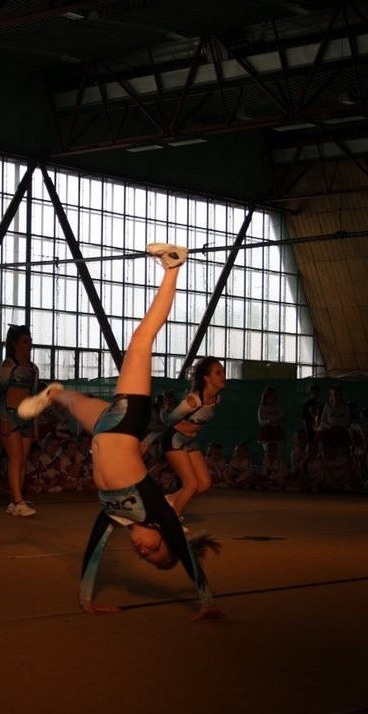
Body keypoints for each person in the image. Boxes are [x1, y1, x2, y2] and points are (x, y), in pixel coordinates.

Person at [18, 243, 223, 621]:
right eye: (155, 549)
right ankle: (174, 267)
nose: (143, 551)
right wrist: (206, 600)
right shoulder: (153, 508)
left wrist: (86, 599)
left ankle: (56, 393)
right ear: (164, 530)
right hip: (128, 421)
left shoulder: (115, 516)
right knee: (140, 341)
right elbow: (182, 545)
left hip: (102, 427)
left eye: (144, 557)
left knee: (70, 398)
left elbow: (94, 551)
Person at [150, 356, 226, 517]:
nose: (223, 376)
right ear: (206, 377)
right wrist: (147, 441)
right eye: (218, 373)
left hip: (190, 441)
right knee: (190, 485)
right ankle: (173, 523)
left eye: (223, 372)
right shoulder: (194, 400)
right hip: (174, 439)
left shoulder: (216, 399)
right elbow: (169, 421)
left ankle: (169, 500)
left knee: (204, 484)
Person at [0, 324, 39, 517]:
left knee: (22, 461)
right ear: (15, 344)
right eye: (25, 342)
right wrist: (3, 418)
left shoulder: (33, 369)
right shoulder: (8, 365)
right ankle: (18, 500)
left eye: (30, 341)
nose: (29, 345)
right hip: (10, 415)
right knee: (16, 458)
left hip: (27, 417)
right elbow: (0, 395)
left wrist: (35, 423)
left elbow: (35, 396)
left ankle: (16, 500)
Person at [257, 386, 285, 457]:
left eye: (275, 397)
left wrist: (278, 421)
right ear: (267, 397)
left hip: (277, 432)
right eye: (272, 396)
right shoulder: (262, 408)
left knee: (279, 454)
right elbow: (261, 421)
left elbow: (282, 419)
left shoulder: (278, 408)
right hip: (267, 433)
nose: (274, 398)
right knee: (268, 454)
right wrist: (269, 421)